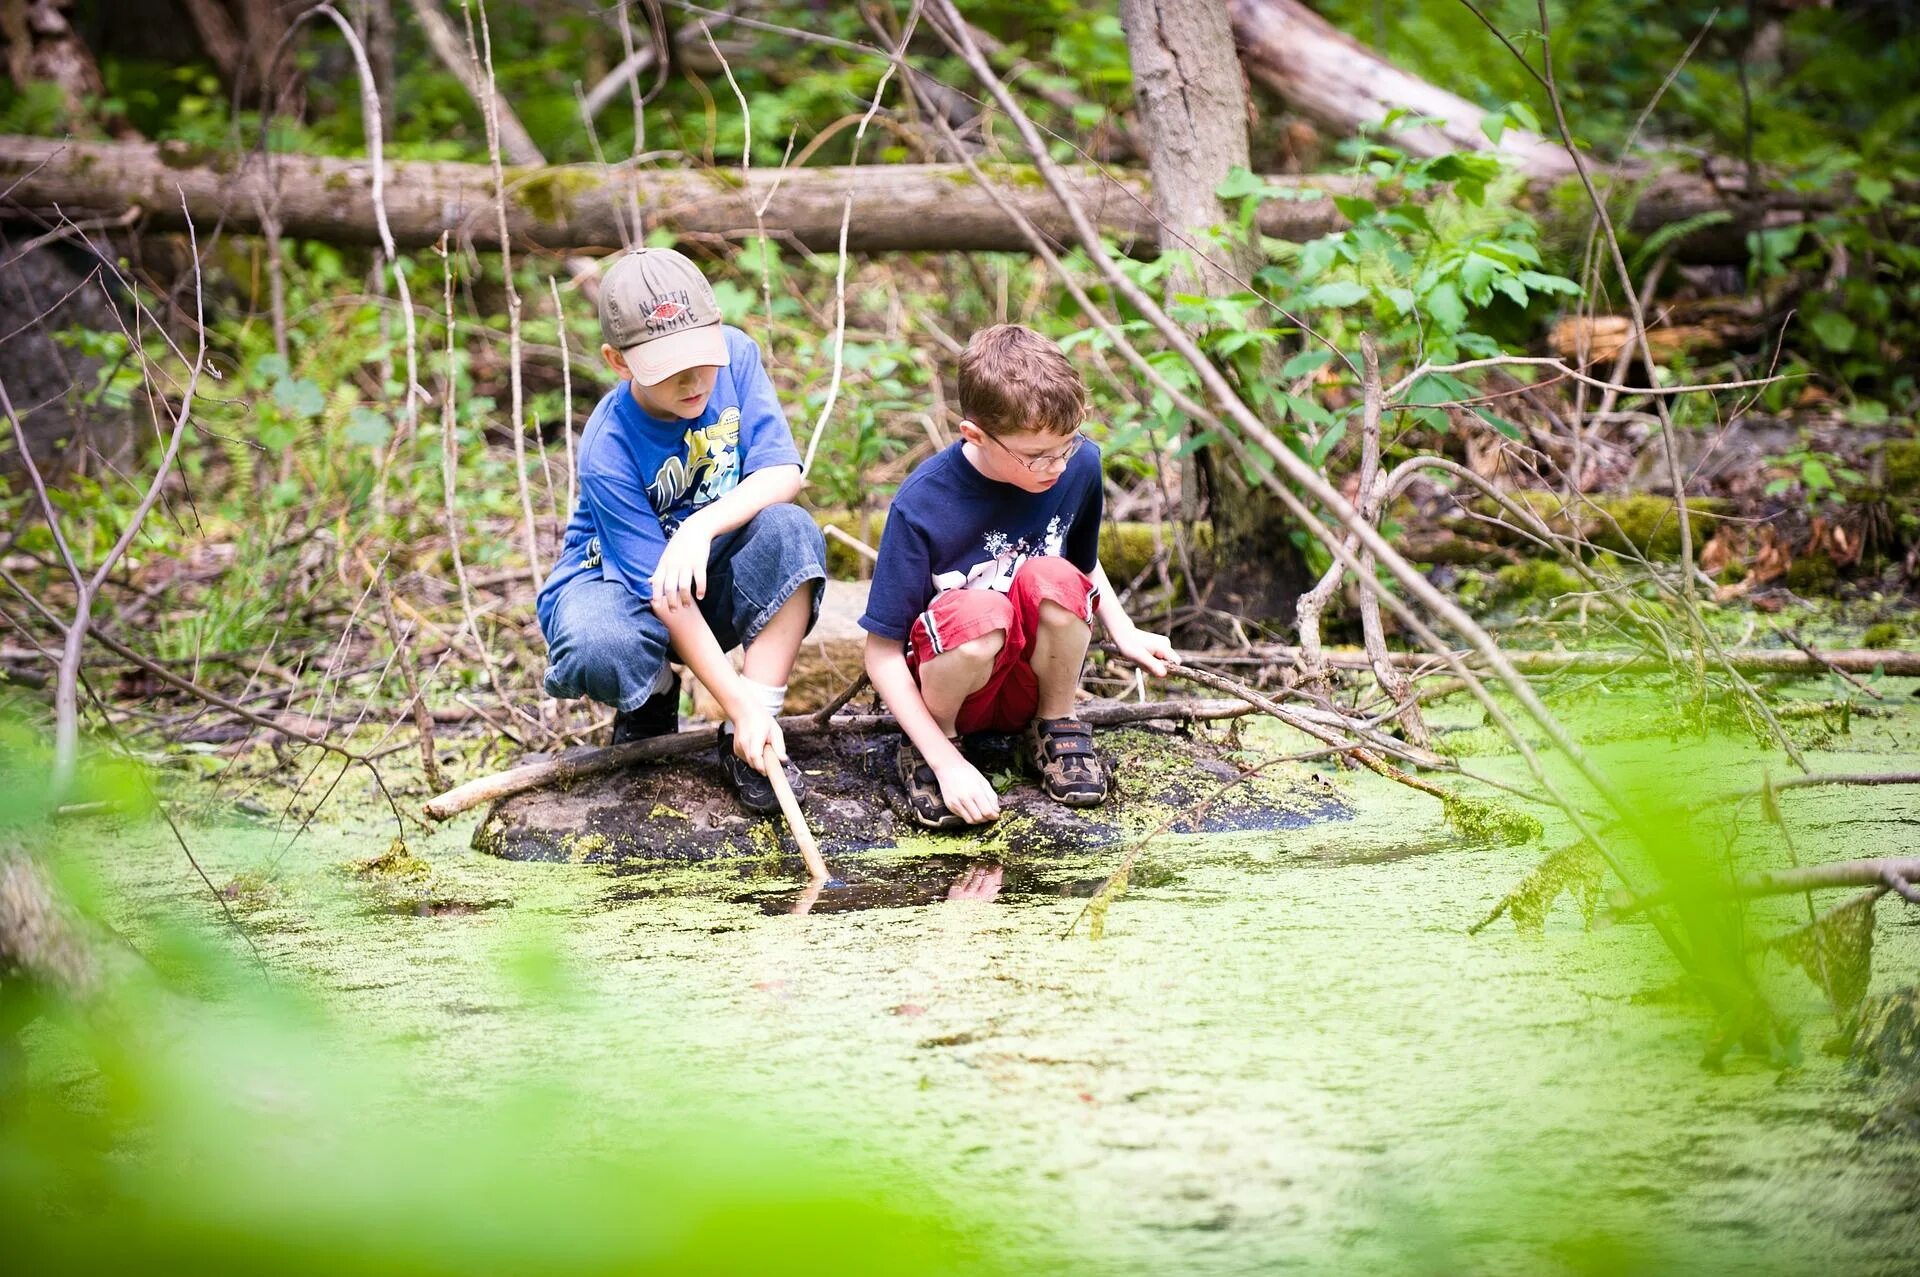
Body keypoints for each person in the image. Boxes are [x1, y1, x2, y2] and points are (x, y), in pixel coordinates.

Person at [538, 246, 826, 816]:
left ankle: (752, 737)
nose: (694, 380)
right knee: (600, 643)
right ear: (619, 362)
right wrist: (732, 701)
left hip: (709, 572)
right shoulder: (607, 445)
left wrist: (700, 525)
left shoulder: (737, 357)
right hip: (620, 592)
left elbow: (783, 474)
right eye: (669, 369)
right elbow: (663, 595)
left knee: (791, 532)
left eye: (701, 357)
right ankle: (653, 694)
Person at [859, 324, 1176, 830]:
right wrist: (946, 762)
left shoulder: (1079, 465)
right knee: (979, 612)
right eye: (1035, 456)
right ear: (975, 435)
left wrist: (1124, 630)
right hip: (955, 688)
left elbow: (1081, 564)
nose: (1056, 466)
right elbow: (881, 653)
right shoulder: (923, 503)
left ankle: (1053, 725)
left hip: (1029, 679)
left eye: (1066, 446)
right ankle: (934, 748)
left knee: (1054, 577)